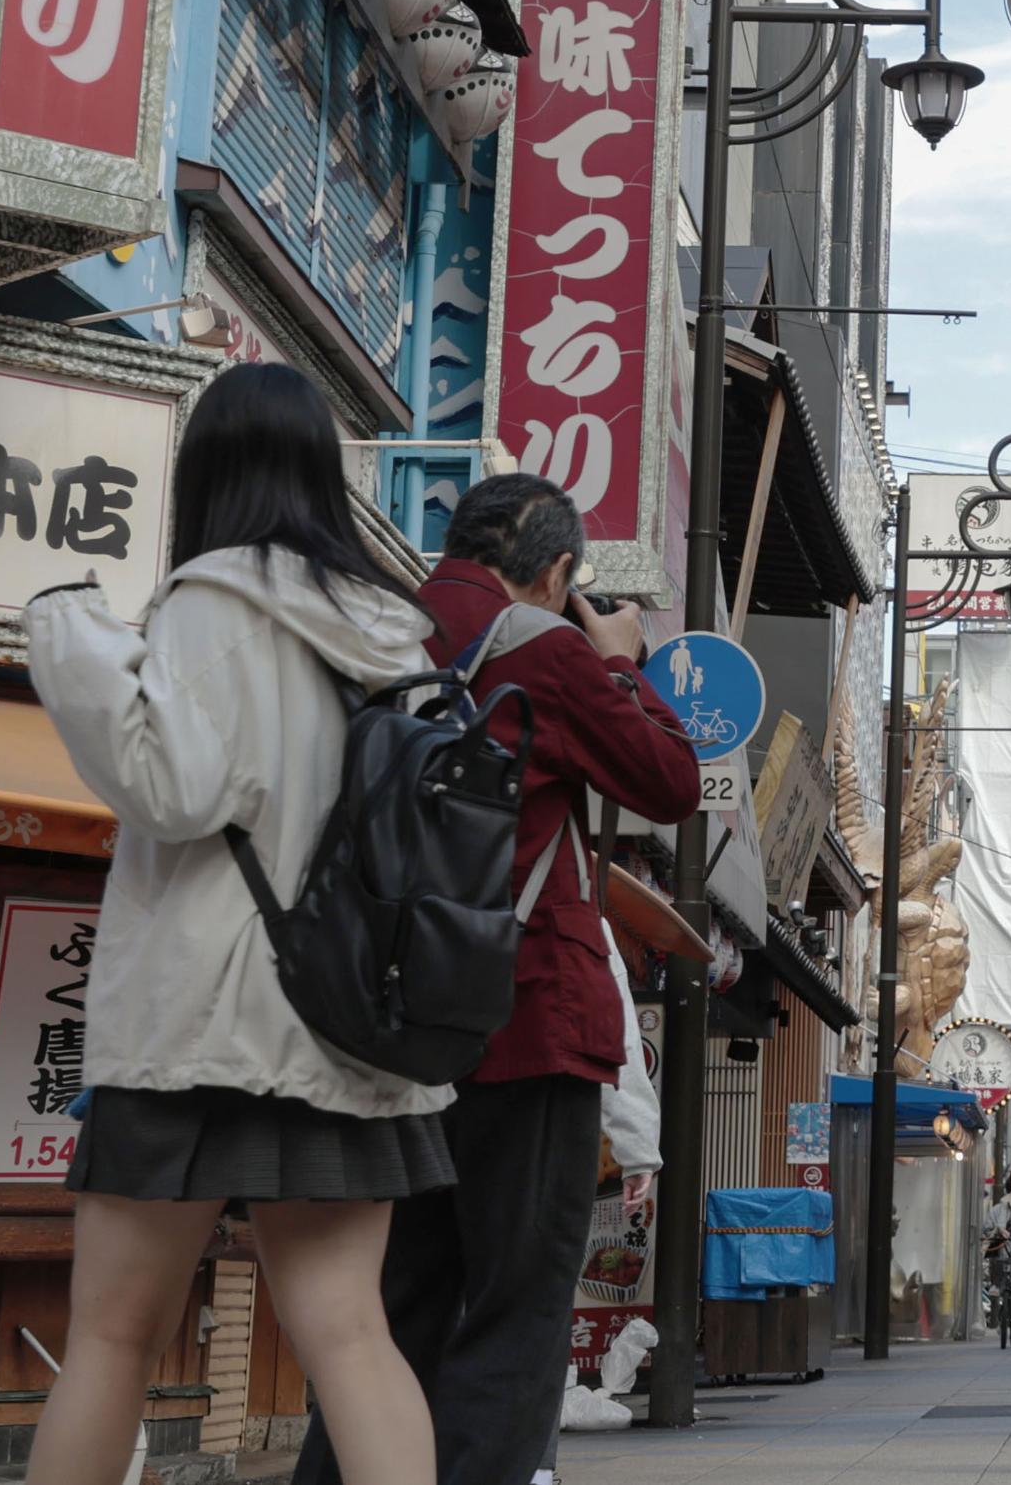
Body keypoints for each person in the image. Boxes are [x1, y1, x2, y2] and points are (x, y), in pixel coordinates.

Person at [23, 364, 449, 1485]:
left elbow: (175, 793)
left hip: (198, 1021)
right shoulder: (389, 633)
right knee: (351, 1335)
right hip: (343, 1019)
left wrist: (70, 643)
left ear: (203, 471)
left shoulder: (213, 598)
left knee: (113, 1335)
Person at [290, 473, 698, 1485]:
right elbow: (668, 781)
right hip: (523, 1014)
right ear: (557, 573)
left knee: (398, 1302)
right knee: (517, 1302)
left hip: (382, 1014)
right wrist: (618, 667)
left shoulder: (375, 628)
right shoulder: (541, 645)